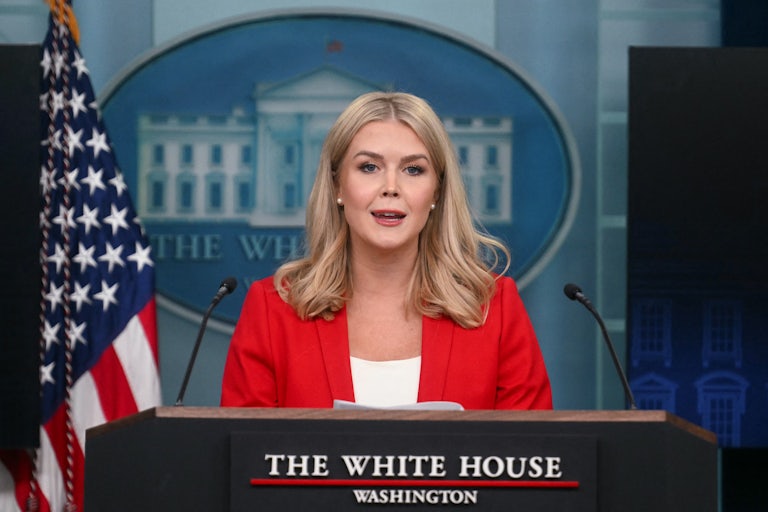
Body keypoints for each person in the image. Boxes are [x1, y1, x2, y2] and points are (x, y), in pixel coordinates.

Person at [220, 91, 552, 410]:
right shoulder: (272, 309)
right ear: (337, 186)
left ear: (437, 190)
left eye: (413, 170)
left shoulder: (495, 308)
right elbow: (245, 456)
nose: (391, 188)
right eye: (369, 167)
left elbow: (534, 456)